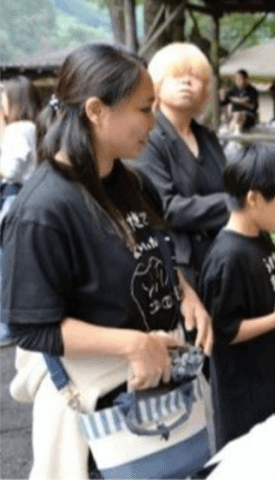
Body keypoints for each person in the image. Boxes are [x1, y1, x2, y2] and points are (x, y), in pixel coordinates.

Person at [1, 44, 213, 479]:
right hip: (99, 416)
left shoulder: (130, 182)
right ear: (97, 111)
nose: (153, 125)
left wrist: (181, 288)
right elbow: (31, 325)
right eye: (144, 109)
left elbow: (146, 250)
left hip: (158, 392)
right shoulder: (43, 210)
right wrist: (133, 345)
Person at [199, 142, 275, 448]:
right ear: (253, 198)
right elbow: (223, 332)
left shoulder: (259, 235)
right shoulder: (227, 258)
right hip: (250, 393)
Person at [135, 42, 229, 286]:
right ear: (156, 84)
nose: (186, 82)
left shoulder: (208, 138)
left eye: (195, 77)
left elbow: (230, 183)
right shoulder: (148, 137)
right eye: (176, 75)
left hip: (220, 256)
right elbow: (166, 208)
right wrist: (234, 203)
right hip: (178, 266)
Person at [0, 76, 42, 347]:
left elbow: (10, 170)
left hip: (15, 198)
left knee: (6, 265)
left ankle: (7, 326)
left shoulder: (20, 128)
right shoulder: (30, 127)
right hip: (24, 198)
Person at [220, 69, 259, 133]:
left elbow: (243, 101)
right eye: (236, 79)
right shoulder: (233, 90)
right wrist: (222, 95)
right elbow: (223, 101)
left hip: (248, 116)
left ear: (246, 79)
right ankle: (231, 132)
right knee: (233, 116)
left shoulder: (253, 91)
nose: (237, 81)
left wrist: (231, 98)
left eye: (239, 79)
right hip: (234, 116)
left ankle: (232, 132)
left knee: (238, 114)